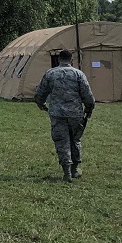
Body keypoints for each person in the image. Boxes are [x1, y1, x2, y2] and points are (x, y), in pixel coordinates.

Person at [33, 49, 95, 182]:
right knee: (75, 140)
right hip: (75, 114)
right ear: (71, 60)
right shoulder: (79, 74)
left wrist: (41, 104)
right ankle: (74, 170)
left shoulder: (50, 74)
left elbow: (40, 93)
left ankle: (66, 172)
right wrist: (89, 109)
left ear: (58, 60)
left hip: (57, 114)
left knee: (62, 142)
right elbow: (88, 96)